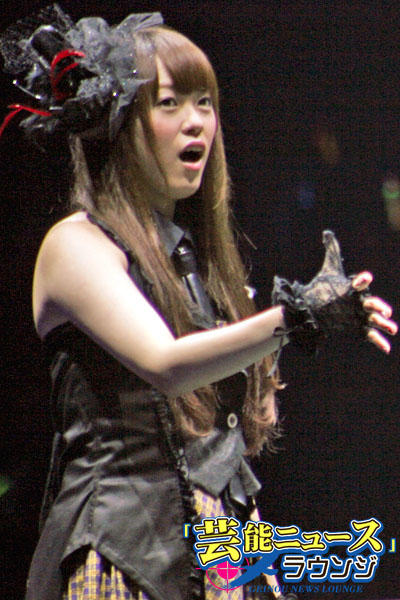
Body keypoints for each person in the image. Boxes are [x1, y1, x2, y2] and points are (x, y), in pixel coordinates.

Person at [0, 6, 396, 600]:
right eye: (169, 103)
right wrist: (293, 317)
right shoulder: (76, 245)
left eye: (205, 103)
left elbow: (223, 450)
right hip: (124, 559)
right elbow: (167, 365)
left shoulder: (195, 260)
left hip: (220, 553)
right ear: (118, 122)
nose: (196, 123)